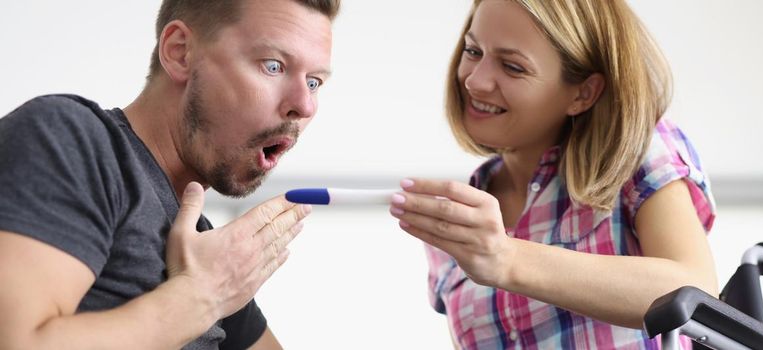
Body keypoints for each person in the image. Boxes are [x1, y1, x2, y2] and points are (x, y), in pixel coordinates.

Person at [0, 0, 339, 348]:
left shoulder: (205, 250)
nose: (305, 105)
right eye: (273, 66)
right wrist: (201, 297)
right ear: (180, 52)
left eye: (314, 83)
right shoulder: (70, 138)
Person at [388, 0, 718, 348]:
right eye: (473, 50)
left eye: (513, 67)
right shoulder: (460, 216)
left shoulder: (633, 153)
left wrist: (506, 258)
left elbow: (694, 293)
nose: (475, 80)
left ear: (583, 93)